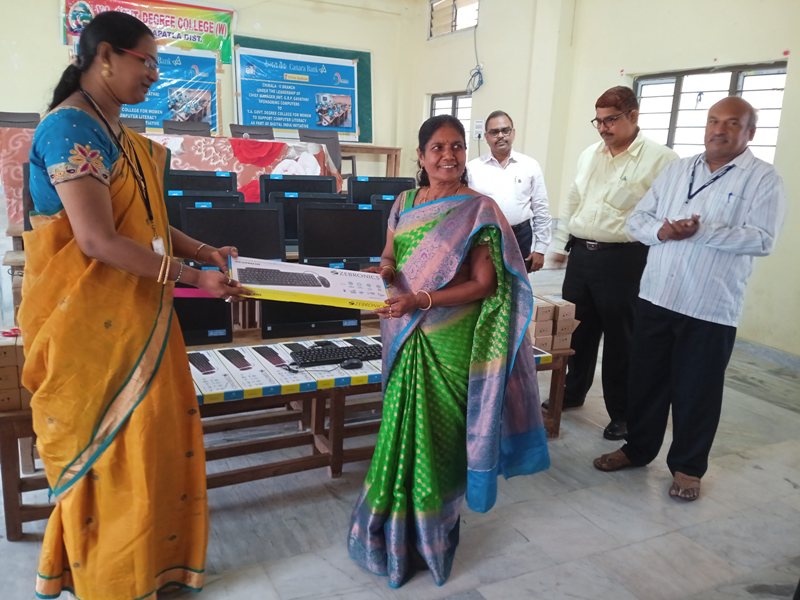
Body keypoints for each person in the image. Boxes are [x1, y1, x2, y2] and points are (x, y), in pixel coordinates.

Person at [19, 12, 247, 599]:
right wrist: (194, 278)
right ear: (105, 57)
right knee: (107, 453)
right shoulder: (69, 130)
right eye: (146, 61)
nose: (153, 74)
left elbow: (148, 225)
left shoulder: (116, 132)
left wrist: (205, 251)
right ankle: (110, 581)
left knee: (151, 442)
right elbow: (98, 241)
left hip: (141, 317)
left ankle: (154, 567)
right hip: (88, 329)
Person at [347, 115, 550, 588]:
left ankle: (432, 536)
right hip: (403, 331)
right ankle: (391, 531)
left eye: (456, 146)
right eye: (437, 147)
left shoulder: (478, 210)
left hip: (450, 340)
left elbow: (484, 285)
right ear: (421, 156)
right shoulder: (404, 202)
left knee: (439, 440)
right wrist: (383, 270)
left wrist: (421, 299)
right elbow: (390, 254)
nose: (448, 155)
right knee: (399, 431)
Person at [593, 97, 785, 501]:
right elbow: (638, 220)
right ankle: (638, 448)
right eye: (713, 121)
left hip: (709, 306)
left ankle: (688, 468)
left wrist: (701, 231)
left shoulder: (762, 179)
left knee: (697, 390)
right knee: (645, 381)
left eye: (732, 123)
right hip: (657, 295)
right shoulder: (678, 170)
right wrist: (663, 232)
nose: (719, 129)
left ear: (750, 132)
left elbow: (762, 240)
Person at [548, 86, 678, 440]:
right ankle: (573, 391)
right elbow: (574, 199)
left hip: (624, 260)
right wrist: (560, 245)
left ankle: (622, 413)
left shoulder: (661, 160)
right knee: (577, 330)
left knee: (622, 340)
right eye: (599, 121)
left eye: (611, 120)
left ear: (633, 116)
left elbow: (666, 216)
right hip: (582, 256)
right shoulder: (590, 155)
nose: (603, 128)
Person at [468, 110, 552, 272]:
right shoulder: (472, 169)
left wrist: (541, 249)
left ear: (513, 133)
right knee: (484, 283)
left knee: (517, 283)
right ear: (486, 137)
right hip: (485, 238)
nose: (500, 136)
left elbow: (541, 208)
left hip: (520, 237)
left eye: (505, 130)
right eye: (494, 132)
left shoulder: (530, 165)